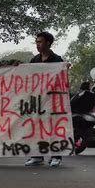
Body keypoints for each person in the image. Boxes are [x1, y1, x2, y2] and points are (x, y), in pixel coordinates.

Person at [25, 32, 64, 167]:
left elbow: (62, 80)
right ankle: (37, 156)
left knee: (54, 127)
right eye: (36, 42)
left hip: (53, 100)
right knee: (36, 127)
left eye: (40, 42)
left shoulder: (57, 60)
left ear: (48, 43)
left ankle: (56, 156)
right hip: (37, 101)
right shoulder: (34, 60)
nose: (37, 45)